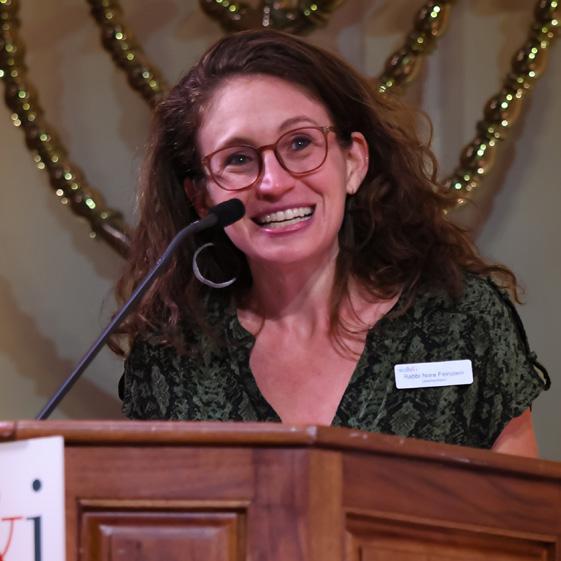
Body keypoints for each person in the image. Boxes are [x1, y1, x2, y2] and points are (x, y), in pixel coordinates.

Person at [113, 29, 549, 456]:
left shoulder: (461, 320)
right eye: (238, 159)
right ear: (201, 197)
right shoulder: (172, 353)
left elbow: (520, 505)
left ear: (353, 162)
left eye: (300, 143)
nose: (273, 183)